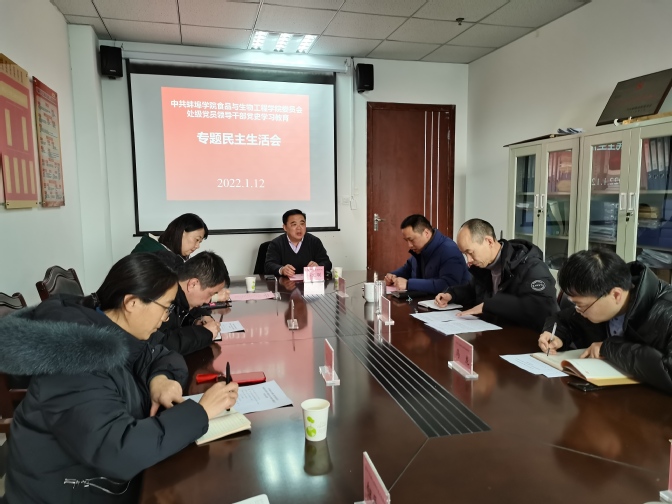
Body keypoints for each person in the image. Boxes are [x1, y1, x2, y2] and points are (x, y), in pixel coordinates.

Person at [0, 254, 238, 503]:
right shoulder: (75, 359)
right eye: (165, 308)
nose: (166, 318)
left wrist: (161, 379)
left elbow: (162, 355)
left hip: (106, 481)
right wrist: (201, 412)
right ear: (132, 303)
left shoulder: (113, 330)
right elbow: (117, 451)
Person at [538, 247, 672, 394]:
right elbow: (562, 319)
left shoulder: (666, 313)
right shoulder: (599, 300)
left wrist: (608, 348)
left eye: (581, 305)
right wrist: (555, 334)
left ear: (616, 295)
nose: (578, 310)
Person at [434, 218, 558, 331]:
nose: (469, 260)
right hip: (494, 332)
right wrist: (452, 294)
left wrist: (491, 305)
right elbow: (473, 290)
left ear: (489, 241)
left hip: (525, 337)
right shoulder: (484, 265)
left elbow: (543, 308)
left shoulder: (531, 266)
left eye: (470, 252)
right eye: (465, 254)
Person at [150, 251, 230, 355]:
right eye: (210, 294)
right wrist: (204, 333)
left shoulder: (178, 288)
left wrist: (200, 318)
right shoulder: (160, 297)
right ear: (193, 284)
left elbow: (186, 308)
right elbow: (159, 344)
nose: (208, 301)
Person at [384, 214, 470, 295]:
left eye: (412, 240)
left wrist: (408, 284)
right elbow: (408, 268)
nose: (409, 245)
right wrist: (392, 276)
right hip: (428, 301)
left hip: (455, 303)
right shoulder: (420, 249)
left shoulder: (449, 250)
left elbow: (448, 284)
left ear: (426, 233)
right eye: (406, 240)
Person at [265, 209, 332, 277]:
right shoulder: (276, 244)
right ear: (285, 227)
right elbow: (268, 265)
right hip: (285, 283)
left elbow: (327, 263)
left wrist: (318, 266)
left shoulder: (314, 241)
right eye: (294, 224)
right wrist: (282, 270)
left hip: (309, 283)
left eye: (302, 224)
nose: (299, 228)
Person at [131, 213, 208, 268]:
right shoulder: (154, 258)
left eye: (200, 242)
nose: (198, 246)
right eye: (197, 239)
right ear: (182, 232)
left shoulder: (174, 257)